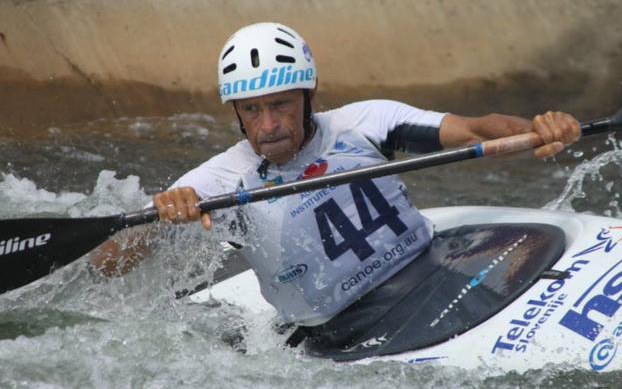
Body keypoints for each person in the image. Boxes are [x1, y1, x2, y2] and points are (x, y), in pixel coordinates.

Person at [90, 22, 580, 328]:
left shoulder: (365, 122)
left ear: (309, 94)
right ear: (236, 111)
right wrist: (160, 216)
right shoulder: (219, 181)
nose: (269, 126)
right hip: (342, 330)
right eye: (252, 110)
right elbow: (108, 265)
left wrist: (539, 128)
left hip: (432, 267)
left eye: (281, 105)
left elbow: (476, 130)